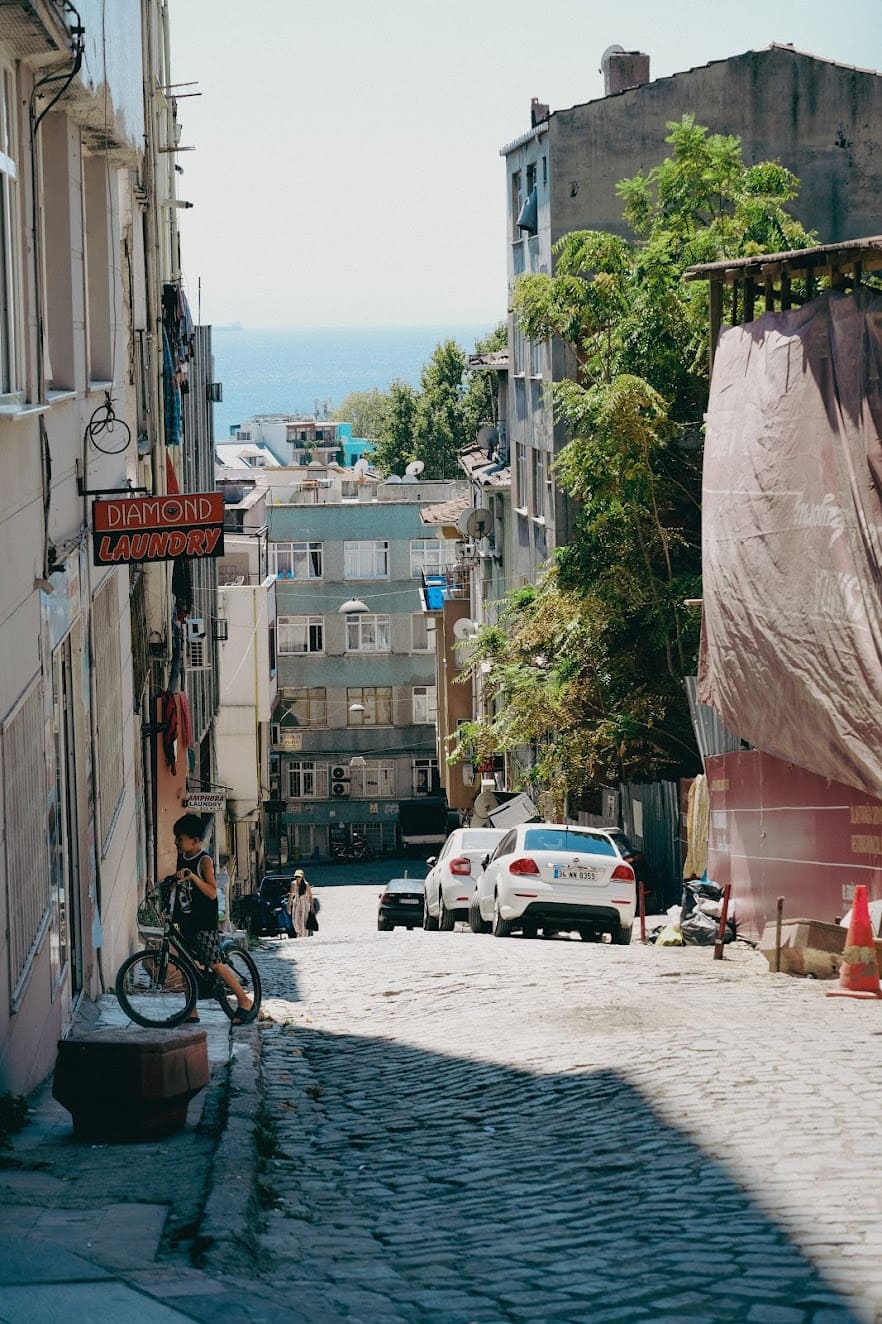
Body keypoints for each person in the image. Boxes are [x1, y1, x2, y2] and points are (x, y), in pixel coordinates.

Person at [173, 814, 254, 1023]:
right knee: (186, 966)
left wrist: (193, 877)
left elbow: (211, 892)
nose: (176, 842)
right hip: (187, 920)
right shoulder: (182, 856)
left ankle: (244, 1000)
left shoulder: (204, 860)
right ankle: (191, 1012)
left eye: (180, 839)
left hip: (203, 923)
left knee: (215, 963)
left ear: (194, 840)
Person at [288, 868, 313, 938]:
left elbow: (310, 896)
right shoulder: (293, 884)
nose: (297, 878)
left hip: (304, 902)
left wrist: (312, 906)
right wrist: (289, 904)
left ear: (302, 877)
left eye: (299, 877)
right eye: (296, 877)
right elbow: (291, 894)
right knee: (295, 919)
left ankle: (304, 935)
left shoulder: (306, 884)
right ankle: (299, 932)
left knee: (304, 919)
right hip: (296, 902)